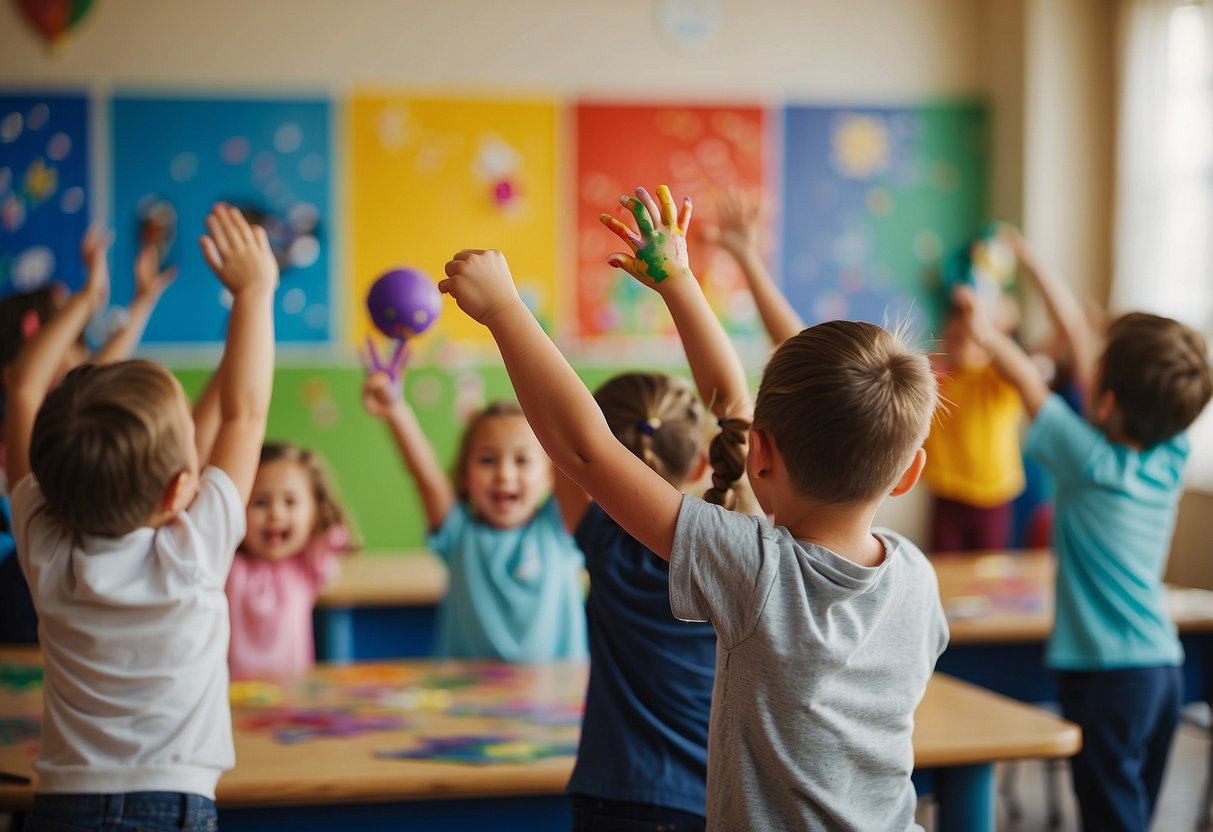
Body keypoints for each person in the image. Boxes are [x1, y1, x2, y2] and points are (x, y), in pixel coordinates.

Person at [440, 184, 948, 831]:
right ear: (909, 473)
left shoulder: (756, 571)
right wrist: (678, 282)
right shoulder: (916, 576)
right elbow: (733, 409)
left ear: (759, 455)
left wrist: (507, 310)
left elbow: (587, 451)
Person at [6, 203, 275, 831]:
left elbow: (21, 389)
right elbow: (246, 413)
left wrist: (86, 300)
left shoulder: (43, 547)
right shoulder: (193, 551)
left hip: (63, 805)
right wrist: (255, 292)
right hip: (173, 805)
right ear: (180, 488)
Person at [954, 283, 1212, 832]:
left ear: (1108, 400)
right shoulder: (1171, 454)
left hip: (1106, 679)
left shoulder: (1087, 459)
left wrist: (985, 332)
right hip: (1162, 668)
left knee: (1110, 820)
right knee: (1131, 816)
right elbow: (1085, 360)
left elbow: (1026, 381)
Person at [564, 369, 743, 831]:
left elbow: (566, 441)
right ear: (702, 462)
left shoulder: (603, 540)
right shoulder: (735, 554)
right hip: (713, 797)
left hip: (616, 793)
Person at [0, 229, 176, 644]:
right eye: (67, 336)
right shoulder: (29, 409)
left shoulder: (67, 409)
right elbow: (28, 385)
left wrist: (141, 301)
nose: (84, 352)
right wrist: (87, 298)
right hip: (24, 578)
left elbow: (105, 359)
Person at [361, 354, 586, 661]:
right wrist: (395, 410)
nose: (504, 474)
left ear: (550, 476)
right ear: (465, 476)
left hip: (557, 699)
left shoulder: (560, 529)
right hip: (467, 701)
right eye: (487, 460)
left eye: (522, 460)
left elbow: (573, 451)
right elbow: (425, 477)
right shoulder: (457, 534)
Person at [224, 441, 356, 680]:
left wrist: (318, 515)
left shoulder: (306, 567)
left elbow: (334, 535)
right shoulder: (229, 566)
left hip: (291, 697)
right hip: (234, 696)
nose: (276, 514)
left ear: (315, 513)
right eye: (260, 502)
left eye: (290, 502)